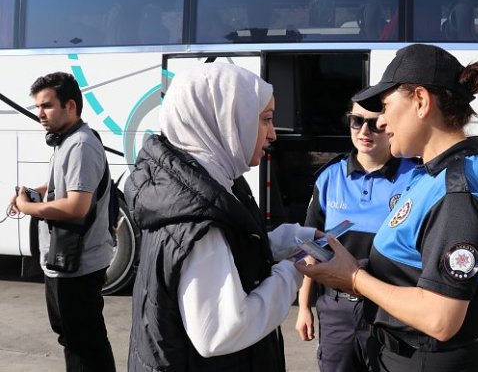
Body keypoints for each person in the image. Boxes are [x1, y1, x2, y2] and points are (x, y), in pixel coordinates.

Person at [297, 43, 478, 371]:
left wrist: (354, 278)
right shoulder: (431, 175)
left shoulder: (457, 193)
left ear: (422, 102)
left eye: (385, 107)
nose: (380, 123)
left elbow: (441, 318)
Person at [124, 63, 319, 371]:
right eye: (266, 119)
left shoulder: (202, 186)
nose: (272, 134)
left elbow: (236, 252)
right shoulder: (198, 218)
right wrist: (293, 272)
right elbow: (220, 332)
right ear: (226, 119)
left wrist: (295, 240)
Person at [295, 101, 418, 372]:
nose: (364, 130)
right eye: (356, 120)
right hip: (336, 310)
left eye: (375, 123)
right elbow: (311, 250)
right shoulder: (329, 178)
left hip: (390, 311)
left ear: (390, 127)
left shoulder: (416, 179)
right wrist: (304, 307)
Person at [10, 72, 116, 371]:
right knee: (75, 339)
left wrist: (27, 208)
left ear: (70, 105)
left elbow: (76, 206)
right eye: (37, 108)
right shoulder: (67, 140)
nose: (40, 114)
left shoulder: (80, 144)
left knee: (84, 344)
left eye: (46, 106)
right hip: (65, 262)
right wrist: (34, 192)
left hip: (78, 265)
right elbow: (64, 185)